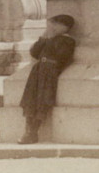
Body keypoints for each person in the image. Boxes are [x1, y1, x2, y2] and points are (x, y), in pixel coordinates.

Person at [18, 14, 77, 144]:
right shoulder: (49, 38)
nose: (53, 27)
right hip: (38, 69)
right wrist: (43, 39)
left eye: (56, 25)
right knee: (30, 98)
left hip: (50, 70)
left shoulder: (67, 40)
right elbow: (34, 52)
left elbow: (62, 56)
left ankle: (33, 132)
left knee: (42, 99)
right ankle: (28, 131)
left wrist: (51, 39)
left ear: (65, 27)